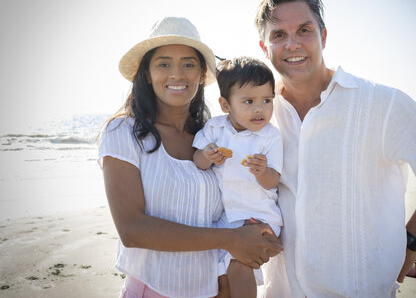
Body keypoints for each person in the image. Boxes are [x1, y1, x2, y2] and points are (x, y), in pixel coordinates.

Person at [254, 0, 416, 297]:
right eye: (278, 35)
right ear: (264, 47)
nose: (292, 44)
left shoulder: (380, 105)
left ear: (323, 36)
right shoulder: (260, 117)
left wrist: (412, 241)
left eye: (304, 30)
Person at [98, 16, 282, 298]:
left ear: (201, 73)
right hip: (152, 290)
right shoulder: (124, 132)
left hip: (215, 290)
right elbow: (131, 229)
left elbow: (234, 203)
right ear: (147, 73)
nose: (177, 74)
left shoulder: (211, 138)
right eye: (163, 63)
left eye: (188, 63)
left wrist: (255, 230)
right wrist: (232, 239)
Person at [192, 57, 283, 298]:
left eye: (267, 100)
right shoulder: (215, 129)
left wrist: (263, 172)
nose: (260, 109)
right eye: (249, 101)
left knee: (239, 264)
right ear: (225, 105)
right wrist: (208, 156)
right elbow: (197, 162)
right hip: (227, 218)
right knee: (221, 275)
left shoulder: (270, 137)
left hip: (260, 216)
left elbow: (273, 181)